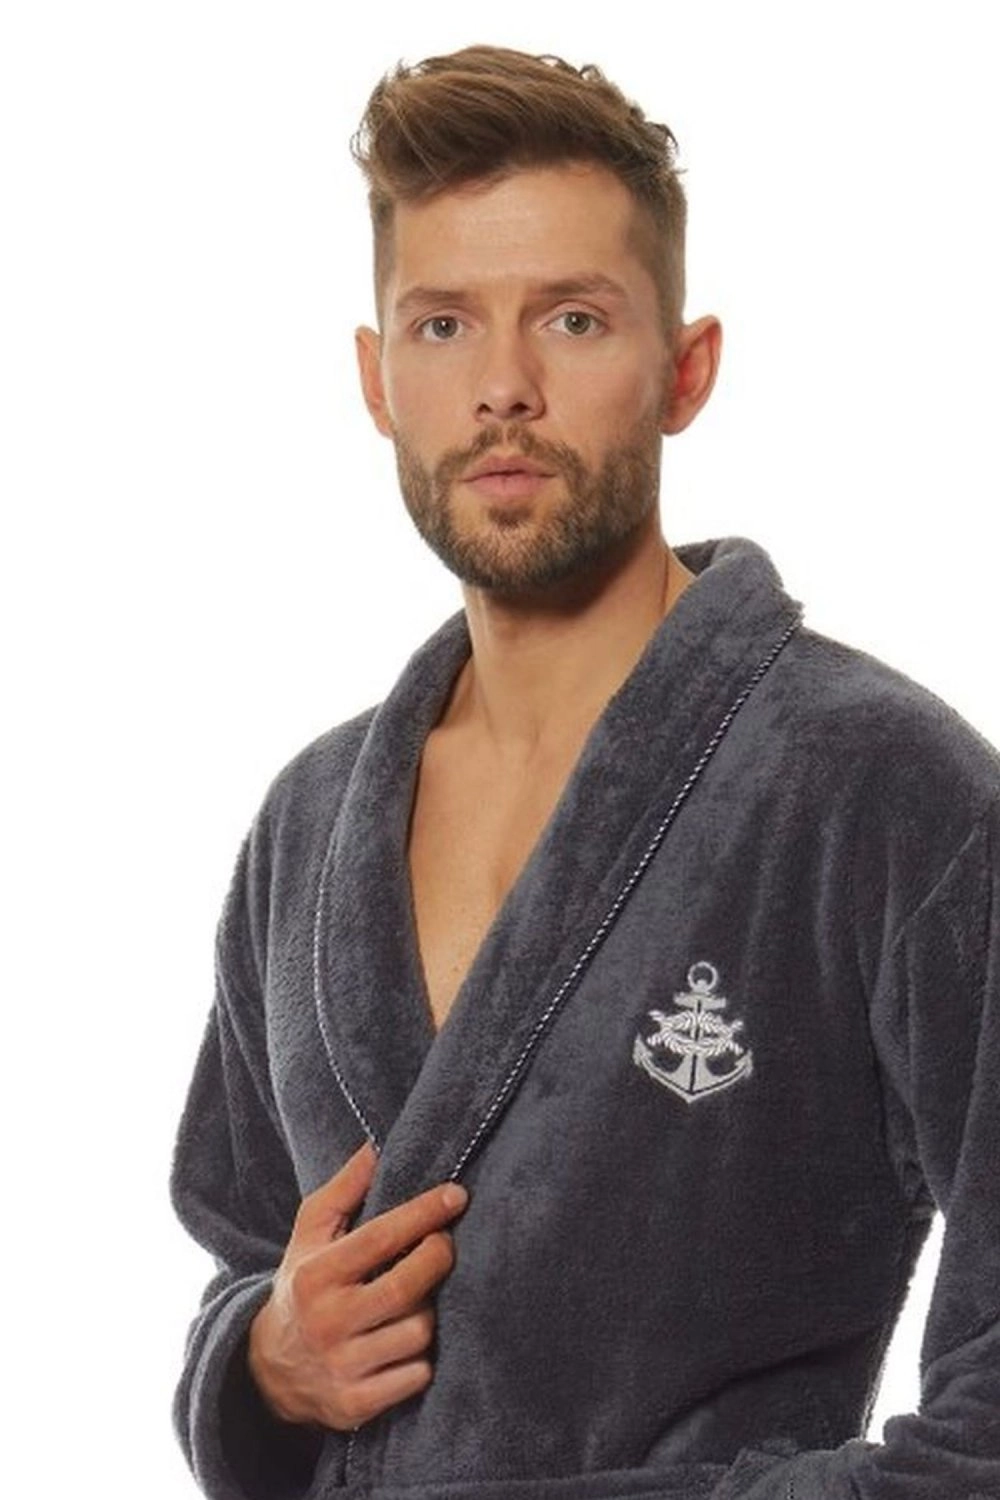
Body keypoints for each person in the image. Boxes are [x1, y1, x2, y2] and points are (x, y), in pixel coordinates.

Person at [171, 45, 1000, 1500]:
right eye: (442, 325)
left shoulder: (880, 788)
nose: (503, 388)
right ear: (376, 380)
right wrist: (264, 1363)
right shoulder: (307, 823)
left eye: (572, 317)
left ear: (685, 368)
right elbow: (243, 1251)